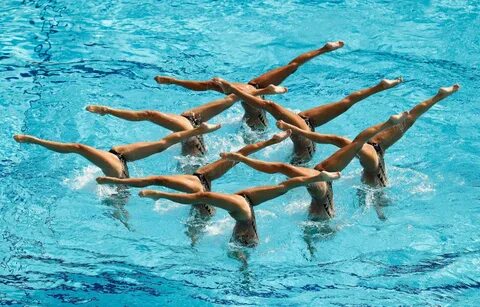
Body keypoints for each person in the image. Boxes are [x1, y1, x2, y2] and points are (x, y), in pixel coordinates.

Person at [96, 130, 292, 245]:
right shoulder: (207, 174)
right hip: (211, 211)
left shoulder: (199, 179)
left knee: (196, 240)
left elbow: (158, 180)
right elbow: (243, 152)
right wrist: (271, 141)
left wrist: (119, 183)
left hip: (202, 213)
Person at [221, 112, 408, 221]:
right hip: (324, 178)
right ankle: (388, 122)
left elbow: (280, 172)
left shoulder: (318, 197)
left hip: (323, 196)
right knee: (351, 143)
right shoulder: (374, 157)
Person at [275, 84, 460, 187]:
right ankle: (438, 96)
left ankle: (437, 97)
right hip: (377, 148)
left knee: (349, 143)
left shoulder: (372, 176)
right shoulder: (373, 176)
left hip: (374, 149)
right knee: (410, 117)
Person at [154, 42, 344, 130]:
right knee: (291, 67)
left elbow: (205, 85)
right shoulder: (248, 100)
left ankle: (323, 49)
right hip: (254, 117)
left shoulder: (245, 89)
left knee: (289, 68)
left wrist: (174, 81)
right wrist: (268, 91)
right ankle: (323, 49)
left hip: (251, 88)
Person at [215, 77, 403, 164]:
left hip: (304, 139)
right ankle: (380, 86)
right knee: (345, 102)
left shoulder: (300, 157)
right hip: (307, 128)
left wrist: (233, 88)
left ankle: (233, 89)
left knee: (271, 106)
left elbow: (269, 106)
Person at [138, 170, 341, 247]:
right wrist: (319, 177)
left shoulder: (236, 209)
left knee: (201, 199)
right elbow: (285, 185)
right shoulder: (243, 201)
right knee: (283, 187)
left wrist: (160, 195)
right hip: (247, 208)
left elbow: (201, 196)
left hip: (245, 232)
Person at [85, 84, 287, 158]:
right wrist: (267, 91)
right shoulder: (190, 120)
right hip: (194, 137)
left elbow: (146, 114)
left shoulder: (186, 124)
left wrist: (108, 110)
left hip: (193, 152)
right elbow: (235, 96)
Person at [13, 122, 220, 179]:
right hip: (120, 164)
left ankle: (34, 141)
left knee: (79, 148)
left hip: (119, 169)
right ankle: (199, 130)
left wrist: (34, 140)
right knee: (162, 144)